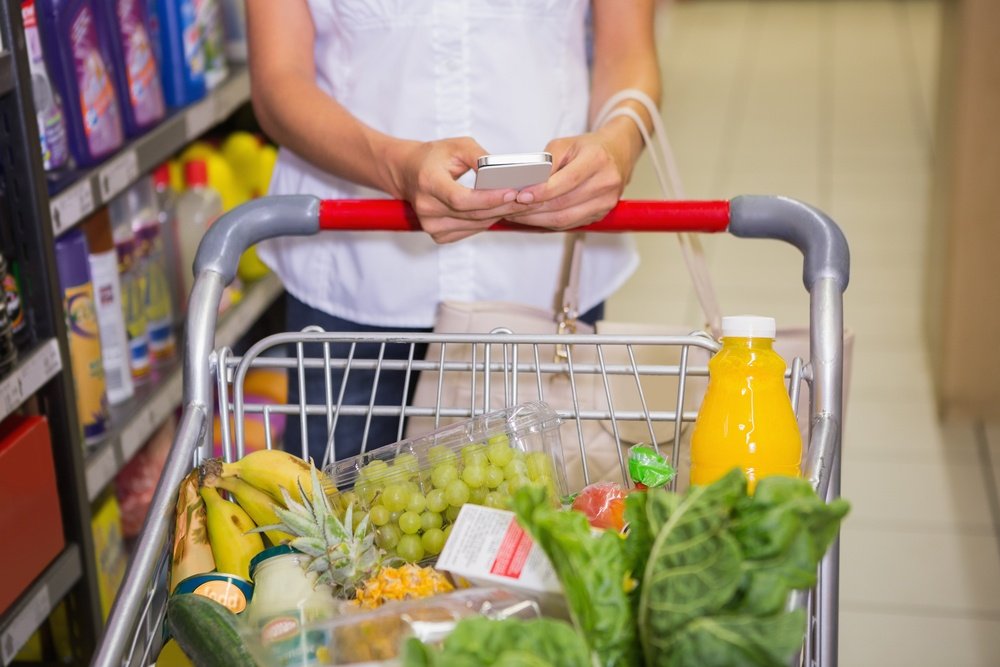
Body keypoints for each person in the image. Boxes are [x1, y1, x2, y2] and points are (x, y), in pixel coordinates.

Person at [245, 0, 661, 467]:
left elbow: (626, 53)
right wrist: (395, 167)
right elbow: (279, 80)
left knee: (550, 521)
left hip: (545, 276)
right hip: (354, 277)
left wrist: (619, 143)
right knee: (340, 526)